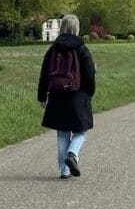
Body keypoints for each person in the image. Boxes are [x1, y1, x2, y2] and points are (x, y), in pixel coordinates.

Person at [37, 15, 96, 179]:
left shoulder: (53, 49)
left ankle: (64, 171)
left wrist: (42, 95)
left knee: (62, 133)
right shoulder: (81, 48)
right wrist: (90, 92)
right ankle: (72, 154)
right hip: (78, 95)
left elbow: (44, 73)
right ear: (76, 28)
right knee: (81, 131)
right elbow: (89, 74)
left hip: (57, 96)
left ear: (62, 27)